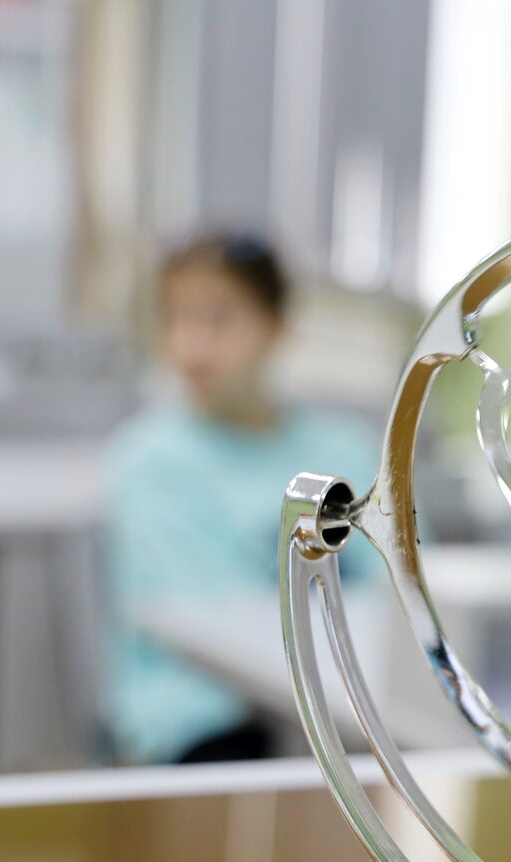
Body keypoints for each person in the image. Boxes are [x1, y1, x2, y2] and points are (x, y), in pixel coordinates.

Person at [104, 234, 375, 765]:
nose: (193, 345)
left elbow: (405, 586)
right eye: (177, 319)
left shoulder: (343, 451)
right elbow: (210, 629)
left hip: (343, 705)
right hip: (200, 718)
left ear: (276, 326)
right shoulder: (153, 463)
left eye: (219, 319)